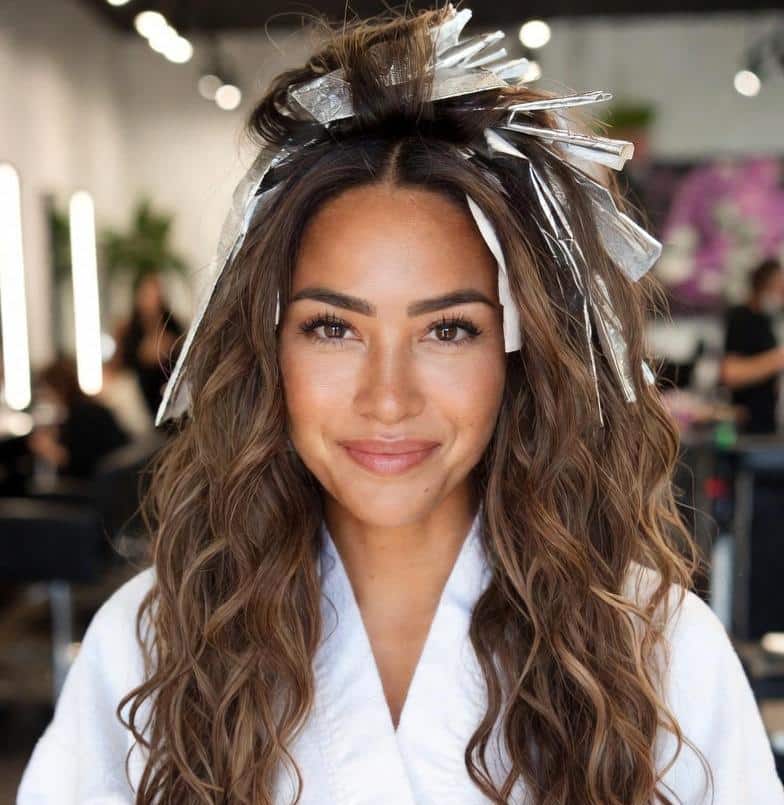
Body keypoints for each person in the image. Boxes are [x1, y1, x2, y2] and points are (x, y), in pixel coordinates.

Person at [17, 7, 784, 804]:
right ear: (270, 350)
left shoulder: (662, 656)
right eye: (333, 327)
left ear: (519, 354)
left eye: (449, 329)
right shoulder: (147, 646)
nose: (388, 398)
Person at [27, 356, 130, 480]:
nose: (45, 397)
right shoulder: (92, 406)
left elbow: (80, 466)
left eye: (46, 390)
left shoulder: (79, 416)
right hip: (119, 476)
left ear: (57, 388)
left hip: (100, 483)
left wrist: (49, 449)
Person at [720, 257, 784, 435]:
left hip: (769, 425)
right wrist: (778, 359)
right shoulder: (741, 318)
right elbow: (731, 373)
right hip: (747, 427)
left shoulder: (768, 320)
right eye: (778, 288)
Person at [113, 272, 185, 420]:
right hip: (143, 389)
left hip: (170, 385)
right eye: (147, 293)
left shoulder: (172, 324)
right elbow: (123, 364)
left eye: (155, 292)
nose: (151, 299)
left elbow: (182, 356)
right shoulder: (129, 330)